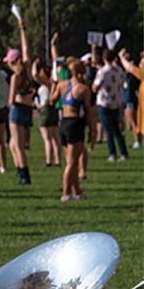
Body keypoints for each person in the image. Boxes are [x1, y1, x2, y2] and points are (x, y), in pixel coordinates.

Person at [50, 58, 95, 201]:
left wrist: (53, 85)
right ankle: (66, 193)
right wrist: (92, 131)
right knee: (72, 162)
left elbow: (52, 100)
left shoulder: (62, 85)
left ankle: (77, 192)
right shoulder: (84, 89)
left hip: (63, 122)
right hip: (76, 124)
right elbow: (88, 111)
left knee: (72, 160)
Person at [5, 19, 34, 184]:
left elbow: (11, 98)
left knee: (17, 145)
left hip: (16, 109)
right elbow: (26, 49)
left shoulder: (15, 77)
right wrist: (22, 30)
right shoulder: (27, 71)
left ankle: (24, 175)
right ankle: (20, 172)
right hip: (27, 109)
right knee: (12, 144)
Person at [93, 49, 129, 162]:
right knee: (117, 130)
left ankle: (112, 153)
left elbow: (95, 88)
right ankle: (123, 152)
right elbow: (123, 82)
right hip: (116, 101)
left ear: (104, 58)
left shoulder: (103, 72)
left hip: (104, 102)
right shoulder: (119, 70)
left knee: (108, 130)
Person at [32, 58, 61, 167]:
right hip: (53, 108)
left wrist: (34, 64)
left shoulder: (46, 82)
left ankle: (49, 160)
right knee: (55, 136)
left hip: (44, 109)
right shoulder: (54, 82)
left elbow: (34, 75)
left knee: (47, 138)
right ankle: (57, 160)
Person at [118, 49, 144, 145]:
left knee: (133, 122)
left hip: (131, 100)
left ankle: (138, 141)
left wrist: (121, 57)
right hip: (130, 100)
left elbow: (130, 67)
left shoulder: (139, 75)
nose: (140, 65)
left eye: (142, 63)